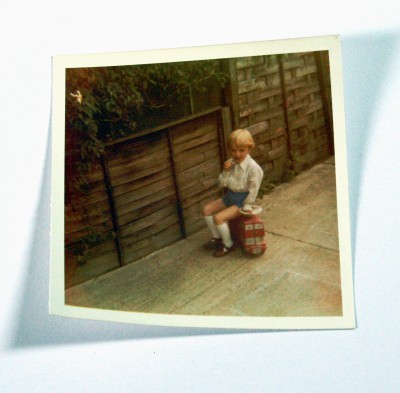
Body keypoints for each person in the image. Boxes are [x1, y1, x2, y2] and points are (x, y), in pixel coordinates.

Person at [202, 128, 264, 257]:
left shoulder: (253, 168)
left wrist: (247, 205)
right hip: (230, 195)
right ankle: (217, 237)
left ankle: (228, 244)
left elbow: (254, 189)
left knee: (218, 218)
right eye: (233, 150)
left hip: (242, 200)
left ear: (249, 148)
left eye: (242, 150)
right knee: (207, 210)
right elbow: (222, 184)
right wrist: (225, 171)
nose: (237, 154)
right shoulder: (230, 164)